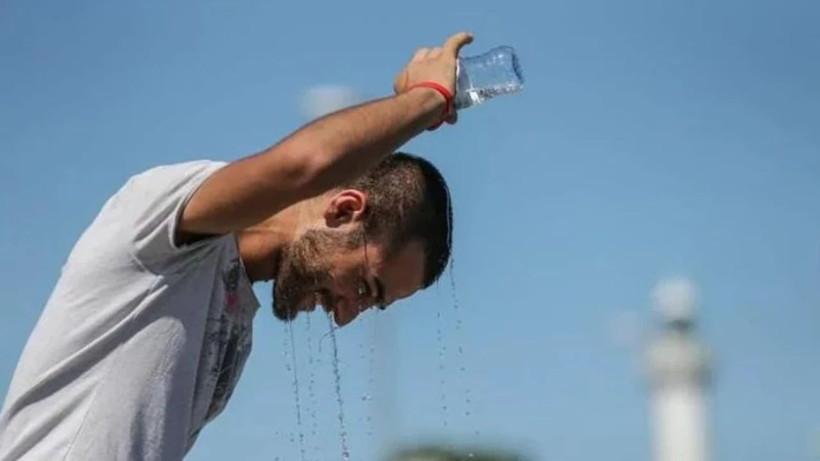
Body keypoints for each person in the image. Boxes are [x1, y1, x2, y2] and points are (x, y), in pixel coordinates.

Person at [0, 31, 474, 461]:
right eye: (366, 287)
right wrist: (428, 99)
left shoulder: (236, 324)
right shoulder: (164, 220)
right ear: (344, 210)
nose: (347, 315)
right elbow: (303, 166)